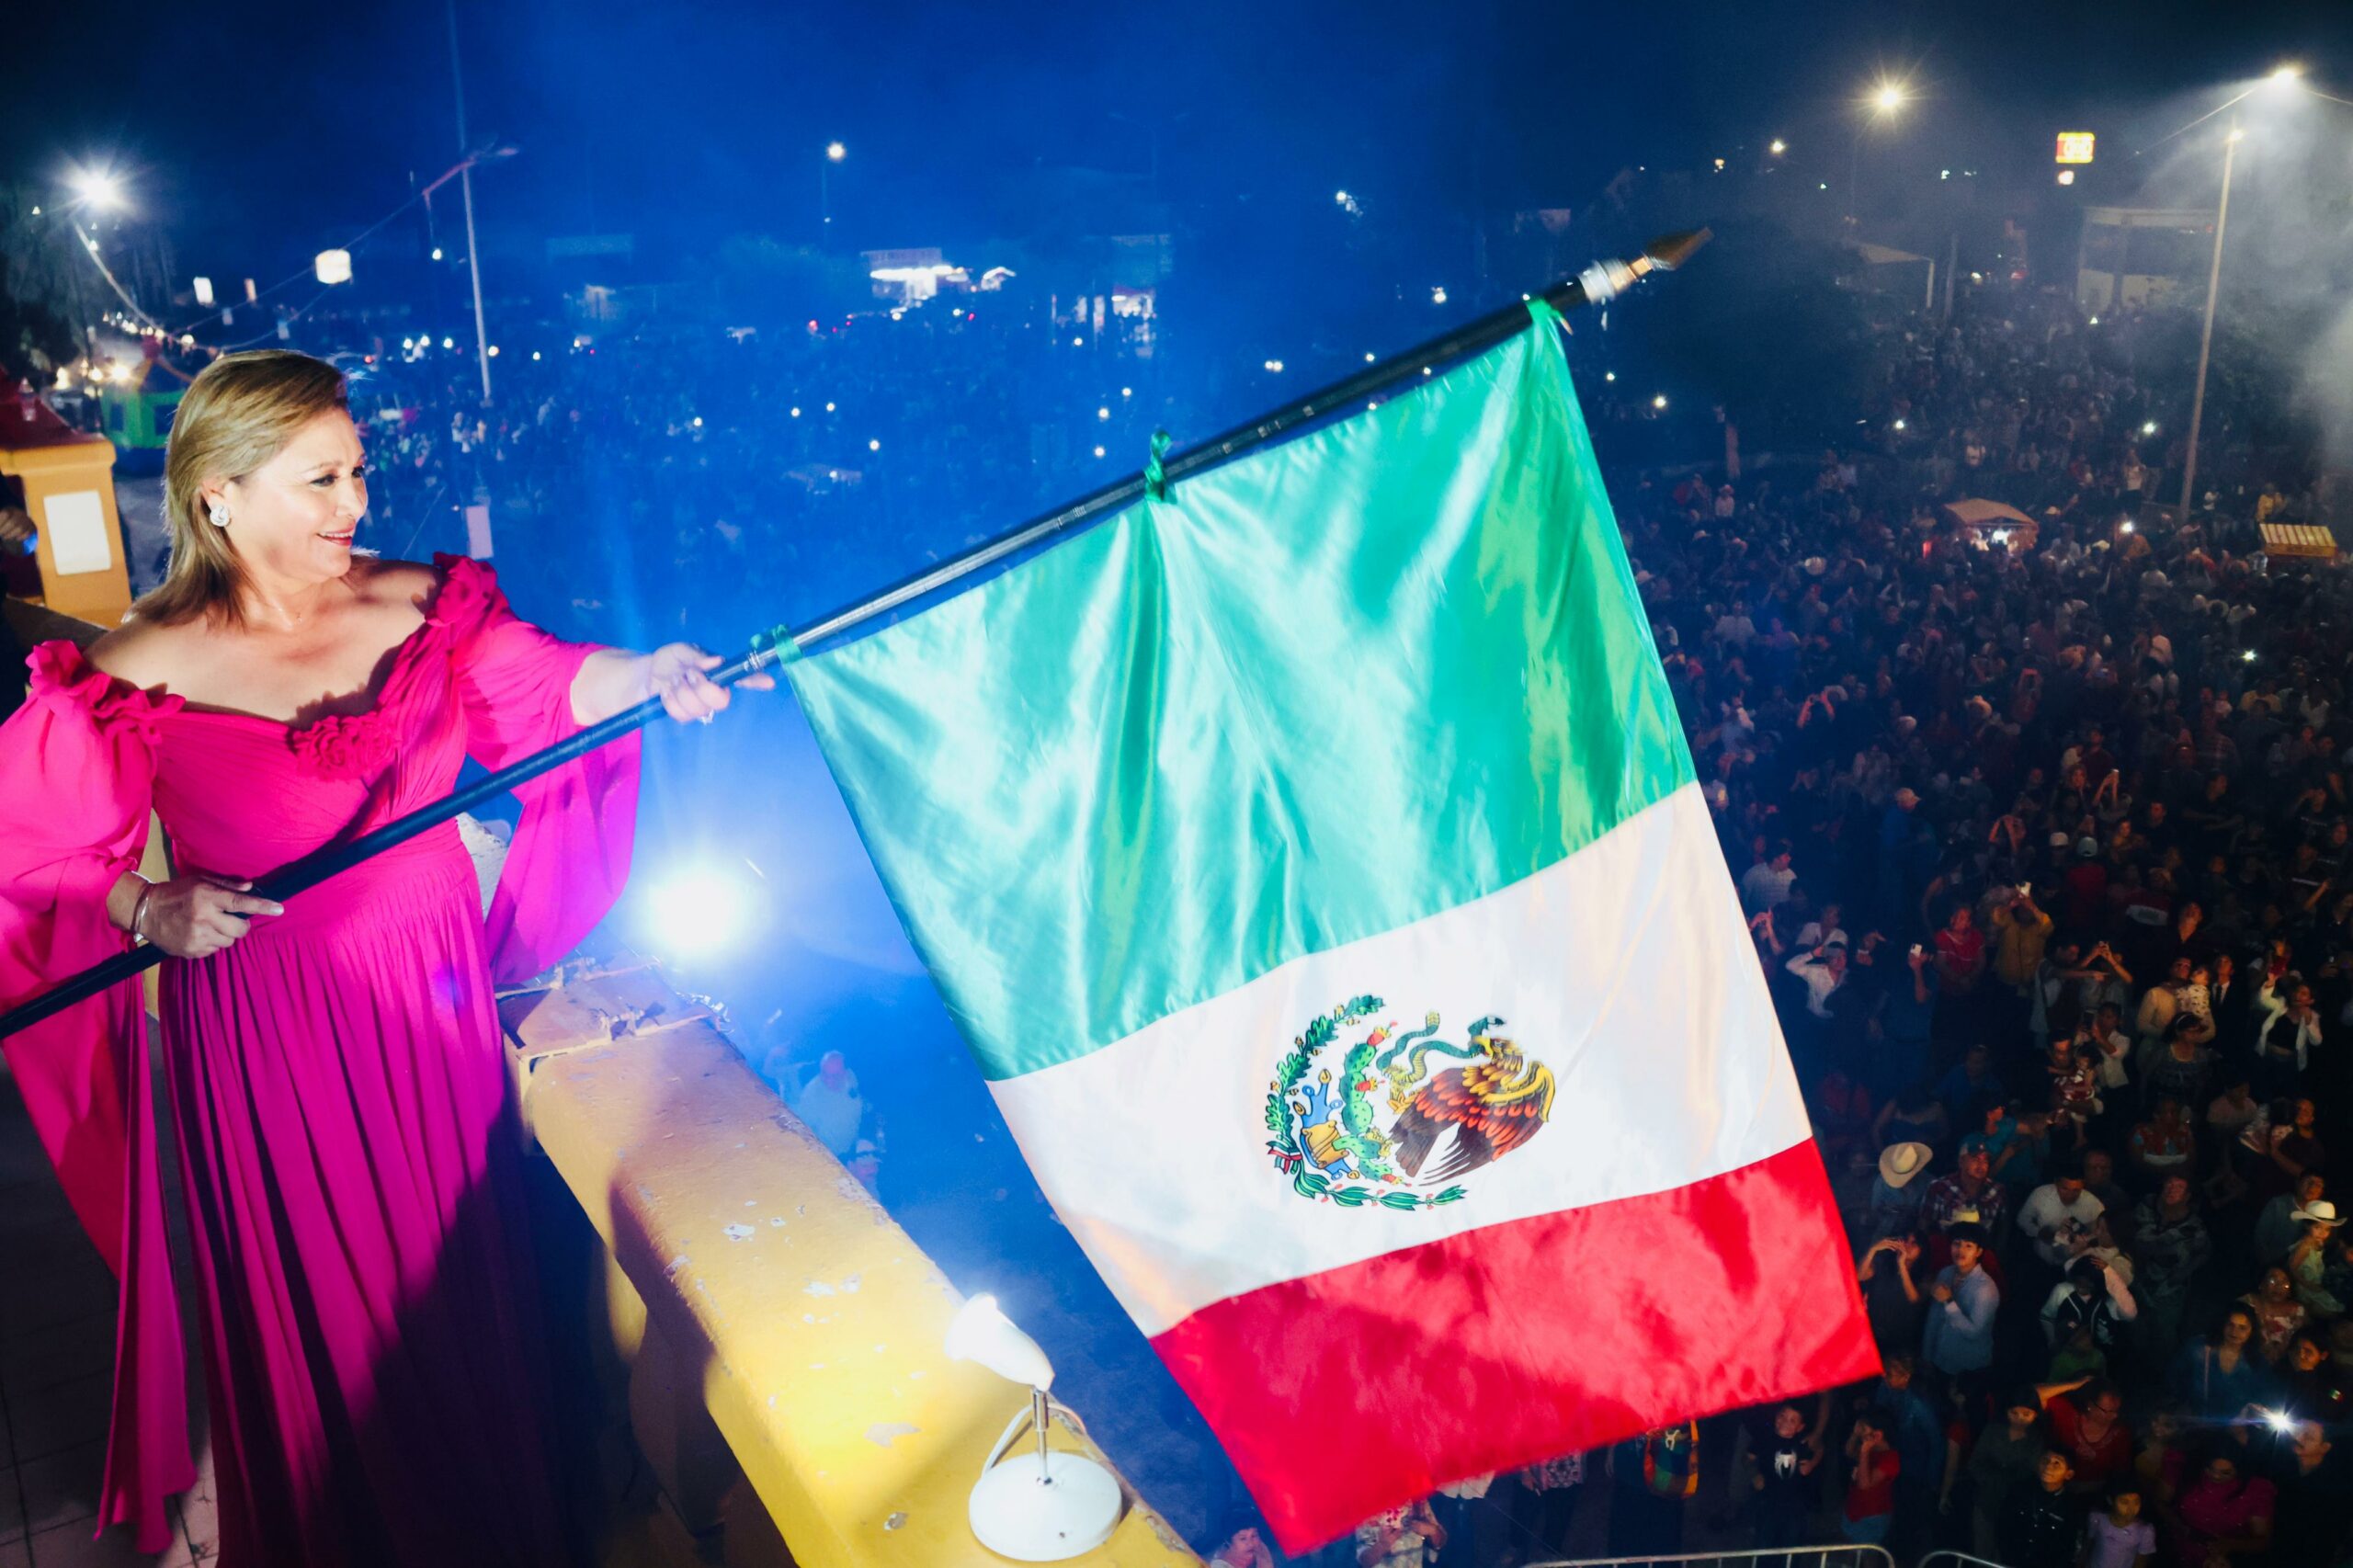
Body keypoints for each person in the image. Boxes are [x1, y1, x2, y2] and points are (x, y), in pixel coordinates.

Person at [0, 350, 761, 1561]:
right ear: (219, 496)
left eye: (356, 470)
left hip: (429, 1006)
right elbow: (23, 848)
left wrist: (649, 671)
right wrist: (148, 907)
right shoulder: (136, 665)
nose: (354, 504)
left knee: (455, 1281)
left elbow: (555, 687)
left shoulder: (422, 603)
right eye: (319, 479)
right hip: (264, 1030)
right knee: (325, 1311)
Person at [1964, 1387, 2046, 1560]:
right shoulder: (1993, 1430)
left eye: (2026, 1414)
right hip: (1985, 1502)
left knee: (2005, 1553)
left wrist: (1998, 1474)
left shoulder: (2037, 1440)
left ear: (2035, 1414)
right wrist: (1995, 1478)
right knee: (1982, 1552)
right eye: (2014, 1413)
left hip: (2015, 1509)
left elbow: (2030, 1475)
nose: (2019, 1419)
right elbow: (1974, 1463)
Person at [1924, 1221, 2001, 1386]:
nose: (1960, 1251)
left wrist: (1949, 1301)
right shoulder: (1946, 1273)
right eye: (1956, 1244)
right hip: (1940, 1357)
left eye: (1968, 1246)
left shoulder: (1985, 1288)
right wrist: (1926, 1355)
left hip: (1967, 1368)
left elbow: (1974, 1332)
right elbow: (1933, 1318)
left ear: (1978, 1252)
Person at [1747, 1402, 1820, 1555]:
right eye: (1782, 1416)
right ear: (1776, 1416)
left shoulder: (1802, 1441)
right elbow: (1747, 1458)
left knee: (1792, 1544)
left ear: (1800, 1427)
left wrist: (1812, 1463)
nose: (1785, 1422)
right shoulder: (1763, 1437)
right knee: (1764, 1543)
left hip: (1795, 1504)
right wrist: (1753, 1473)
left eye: (1793, 1420)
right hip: (1767, 1501)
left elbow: (1820, 1447)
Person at [1999, 1448, 2084, 1568]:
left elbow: (2071, 1548)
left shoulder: (2072, 1506)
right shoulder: (2020, 1490)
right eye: (2045, 1460)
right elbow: (2003, 1526)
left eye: (2057, 1463)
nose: (2049, 1466)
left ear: (2068, 1474)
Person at [1840, 1409, 1901, 1548]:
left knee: (1868, 1555)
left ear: (1878, 1435)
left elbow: (1864, 1485)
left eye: (1863, 1429)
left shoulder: (1891, 1459)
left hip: (1872, 1516)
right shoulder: (1873, 1450)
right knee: (1850, 1549)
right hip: (1854, 1508)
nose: (1861, 1432)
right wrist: (1854, 1436)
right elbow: (1849, 1452)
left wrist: (1864, 1451)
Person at [2081, 1480, 2157, 1568]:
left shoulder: (2144, 1531)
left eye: (2136, 1502)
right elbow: (2088, 1544)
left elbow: (2140, 1563)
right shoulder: (2098, 1518)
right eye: (2125, 1502)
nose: (2131, 1509)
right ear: (2110, 1500)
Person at [1356, 1499, 1446, 1568]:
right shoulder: (1366, 1509)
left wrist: (1432, 1530)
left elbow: (1441, 1541)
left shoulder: (1417, 1501)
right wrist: (1382, 1546)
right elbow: (1364, 1560)